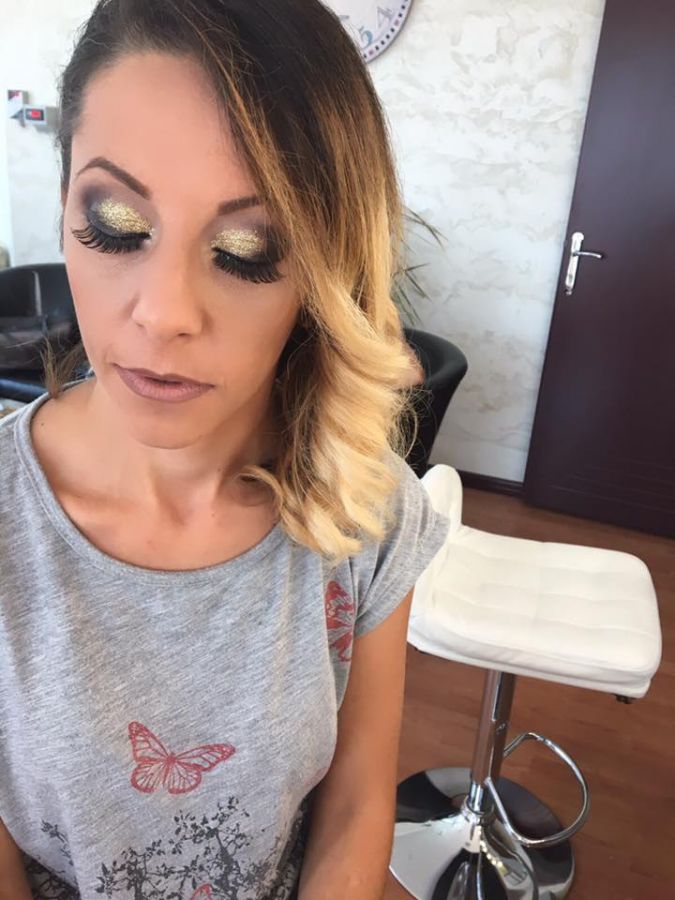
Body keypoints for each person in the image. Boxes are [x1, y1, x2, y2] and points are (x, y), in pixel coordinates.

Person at [0, 1, 451, 898]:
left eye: (247, 249)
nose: (164, 312)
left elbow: (356, 806)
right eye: (116, 224)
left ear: (322, 265)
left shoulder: (365, 512)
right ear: (64, 207)